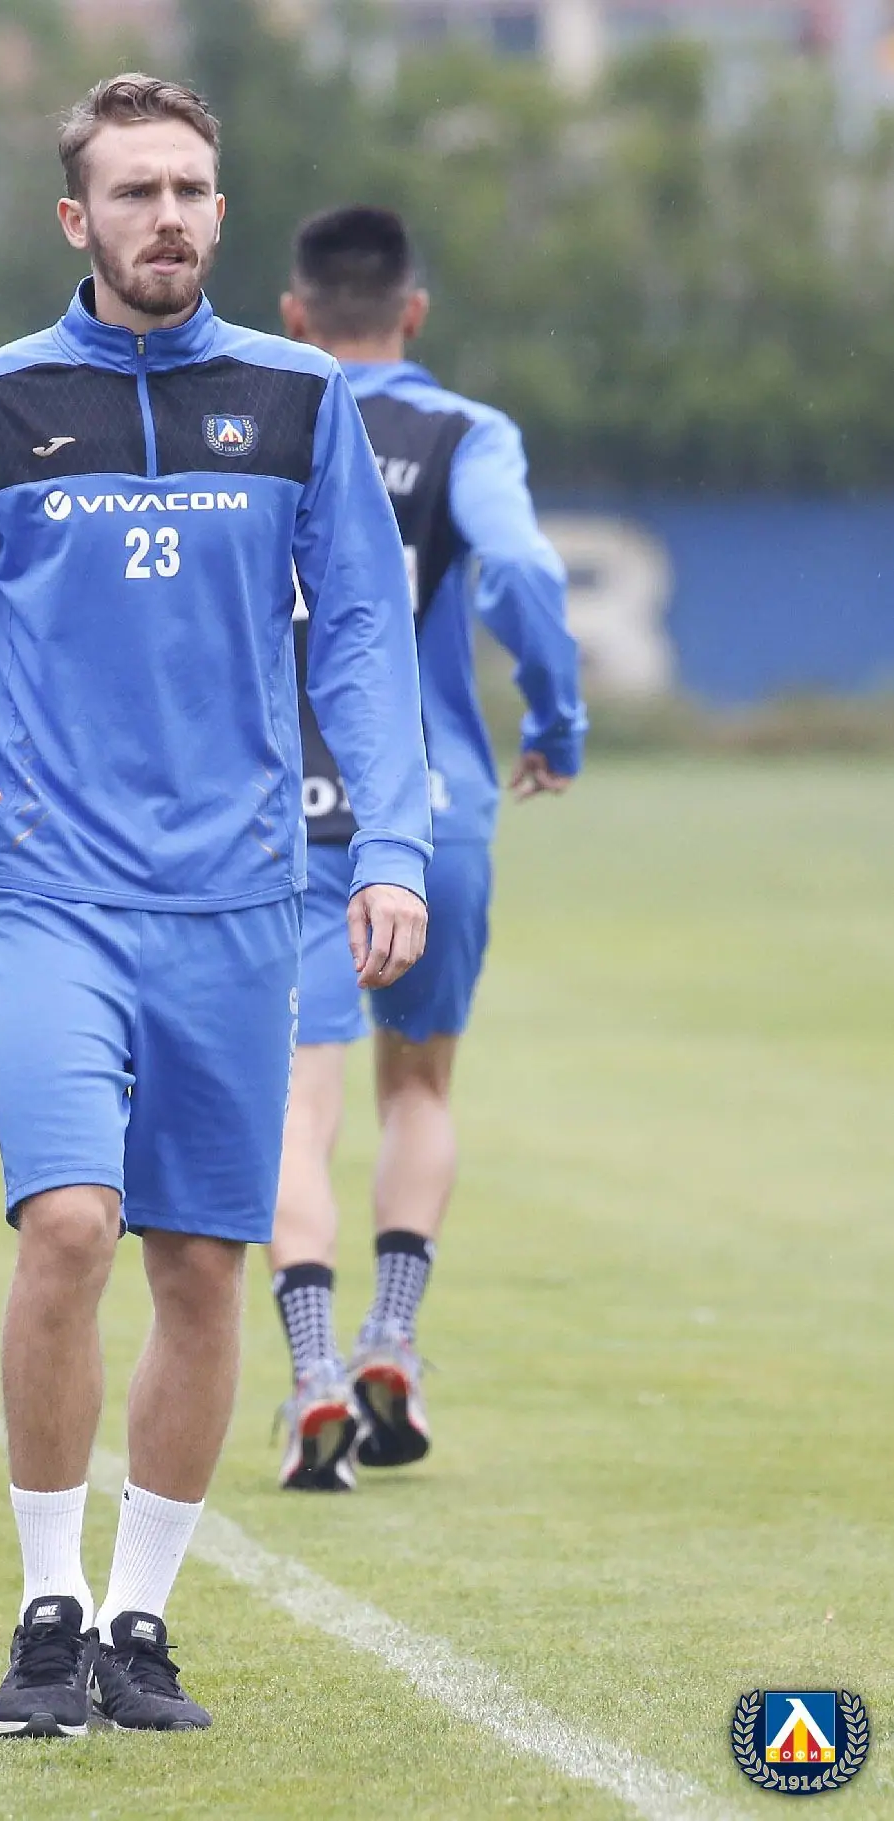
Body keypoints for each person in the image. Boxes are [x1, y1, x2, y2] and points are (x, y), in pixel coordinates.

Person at [0, 83, 432, 1735]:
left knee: (196, 1267)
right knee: (68, 1224)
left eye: (188, 188)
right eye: (133, 192)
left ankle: (138, 1623)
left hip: (241, 901)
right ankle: (47, 1609)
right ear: (76, 218)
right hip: (48, 889)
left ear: (219, 211)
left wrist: (387, 846)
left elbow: (362, 638)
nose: (165, 215)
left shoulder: (299, 398)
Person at [270, 206, 587, 1491]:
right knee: (419, 1089)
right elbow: (522, 573)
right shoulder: (465, 433)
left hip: (279, 810)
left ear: (294, 316)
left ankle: (310, 1374)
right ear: (413, 311)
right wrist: (554, 722)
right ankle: (389, 1339)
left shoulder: (258, 420)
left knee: (296, 1106)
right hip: (435, 804)